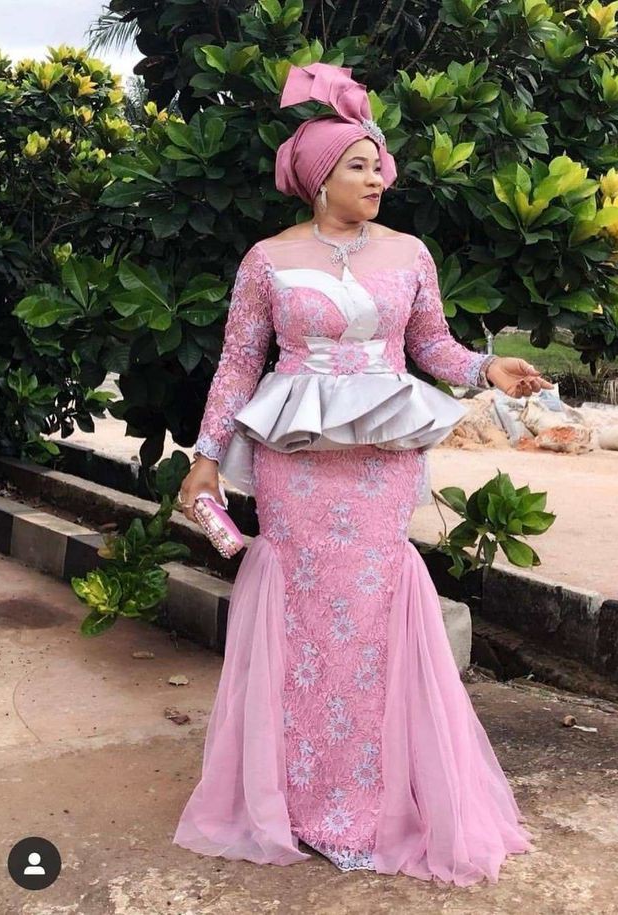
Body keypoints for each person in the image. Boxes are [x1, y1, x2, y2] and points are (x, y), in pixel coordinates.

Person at [172, 62, 550, 886]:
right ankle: (299, 797)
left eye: (379, 162)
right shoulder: (266, 259)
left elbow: (432, 348)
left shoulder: (410, 252)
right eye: (359, 163)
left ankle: (379, 795)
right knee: (303, 618)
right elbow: (239, 366)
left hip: (380, 464)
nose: (378, 175)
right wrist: (205, 461)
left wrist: (488, 368)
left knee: (376, 610)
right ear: (317, 176)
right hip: (295, 468)